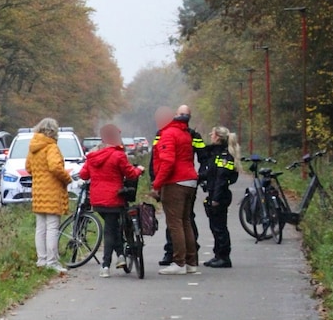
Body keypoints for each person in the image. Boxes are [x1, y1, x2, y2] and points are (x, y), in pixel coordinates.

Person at [80, 124, 144, 278]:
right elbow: (130, 173)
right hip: (115, 198)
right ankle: (106, 265)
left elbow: (83, 175)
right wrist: (140, 170)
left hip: (97, 200)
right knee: (110, 230)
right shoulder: (118, 155)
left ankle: (121, 255)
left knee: (113, 228)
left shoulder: (92, 157)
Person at [151, 104, 205, 265]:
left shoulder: (168, 134)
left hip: (175, 182)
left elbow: (167, 162)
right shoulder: (185, 133)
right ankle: (191, 262)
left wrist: (157, 184)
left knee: (175, 224)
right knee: (186, 221)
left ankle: (179, 262)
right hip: (190, 180)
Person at [26, 118, 72, 274]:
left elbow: (28, 167)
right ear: (53, 131)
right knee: (52, 227)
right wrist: (67, 178)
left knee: (41, 228)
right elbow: (55, 167)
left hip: (38, 191)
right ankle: (52, 262)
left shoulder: (33, 147)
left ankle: (42, 260)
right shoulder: (51, 147)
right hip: (52, 192)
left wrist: (39, 176)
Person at [199, 126, 240, 268]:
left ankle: (224, 257)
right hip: (214, 193)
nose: (210, 136)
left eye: (212, 134)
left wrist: (216, 199)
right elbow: (210, 173)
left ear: (217, 137)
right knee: (215, 226)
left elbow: (221, 178)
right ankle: (218, 255)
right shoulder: (216, 153)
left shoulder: (224, 156)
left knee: (220, 227)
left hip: (220, 195)